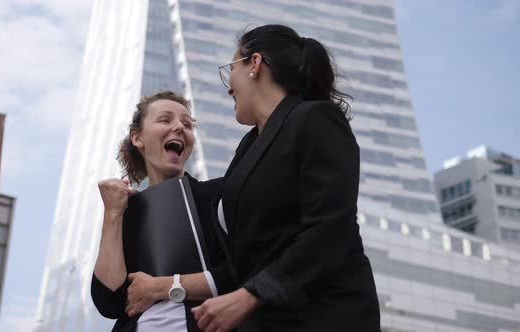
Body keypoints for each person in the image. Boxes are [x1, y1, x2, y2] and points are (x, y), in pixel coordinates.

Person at [190, 25, 381, 331]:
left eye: (231, 69)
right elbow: (218, 202)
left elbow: (329, 227)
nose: (228, 86)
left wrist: (250, 295)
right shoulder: (249, 146)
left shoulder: (315, 119)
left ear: (255, 64)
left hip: (324, 316)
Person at [91, 91, 233, 332]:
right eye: (165, 120)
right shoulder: (126, 211)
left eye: (187, 124)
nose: (179, 127)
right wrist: (113, 214)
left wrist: (163, 286)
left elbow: (244, 271)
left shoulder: (216, 195)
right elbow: (109, 302)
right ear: (137, 138)